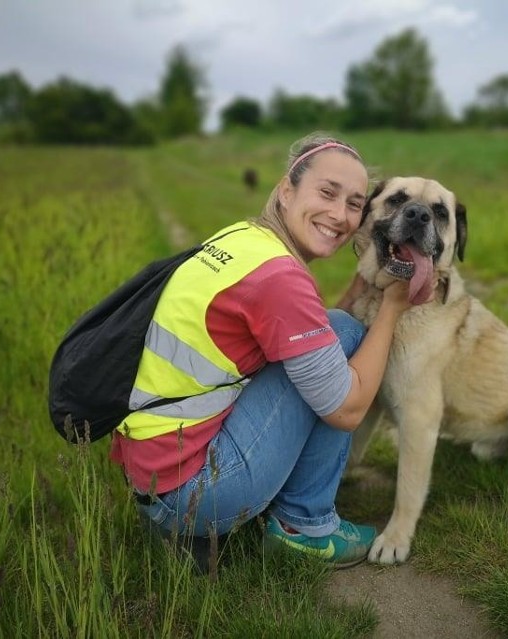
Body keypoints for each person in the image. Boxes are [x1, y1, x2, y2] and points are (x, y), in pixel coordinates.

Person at [112, 132, 419, 569]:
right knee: (345, 336)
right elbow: (347, 411)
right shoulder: (281, 281)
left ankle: (210, 520)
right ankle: (306, 527)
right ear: (287, 190)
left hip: (153, 473)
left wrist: (361, 282)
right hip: (192, 492)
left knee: (332, 333)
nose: (339, 214)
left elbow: (305, 337)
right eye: (327, 193)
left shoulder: (242, 238)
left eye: (354, 203)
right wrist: (391, 306)